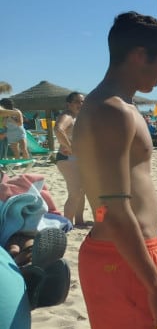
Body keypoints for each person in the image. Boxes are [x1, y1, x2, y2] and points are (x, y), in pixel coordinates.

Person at [73, 11, 157, 329]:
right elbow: (112, 209)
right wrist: (154, 283)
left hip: (135, 251)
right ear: (139, 55)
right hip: (119, 255)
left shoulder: (119, 107)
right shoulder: (111, 111)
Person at [54, 92, 88, 228]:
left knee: (81, 191)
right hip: (67, 158)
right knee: (76, 192)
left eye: (83, 101)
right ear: (69, 104)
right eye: (77, 102)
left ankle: (78, 221)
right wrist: (69, 146)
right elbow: (58, 129)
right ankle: (66, 224)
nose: (81, 104)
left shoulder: (75, 116)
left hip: (74, 158)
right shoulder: (67, 116)